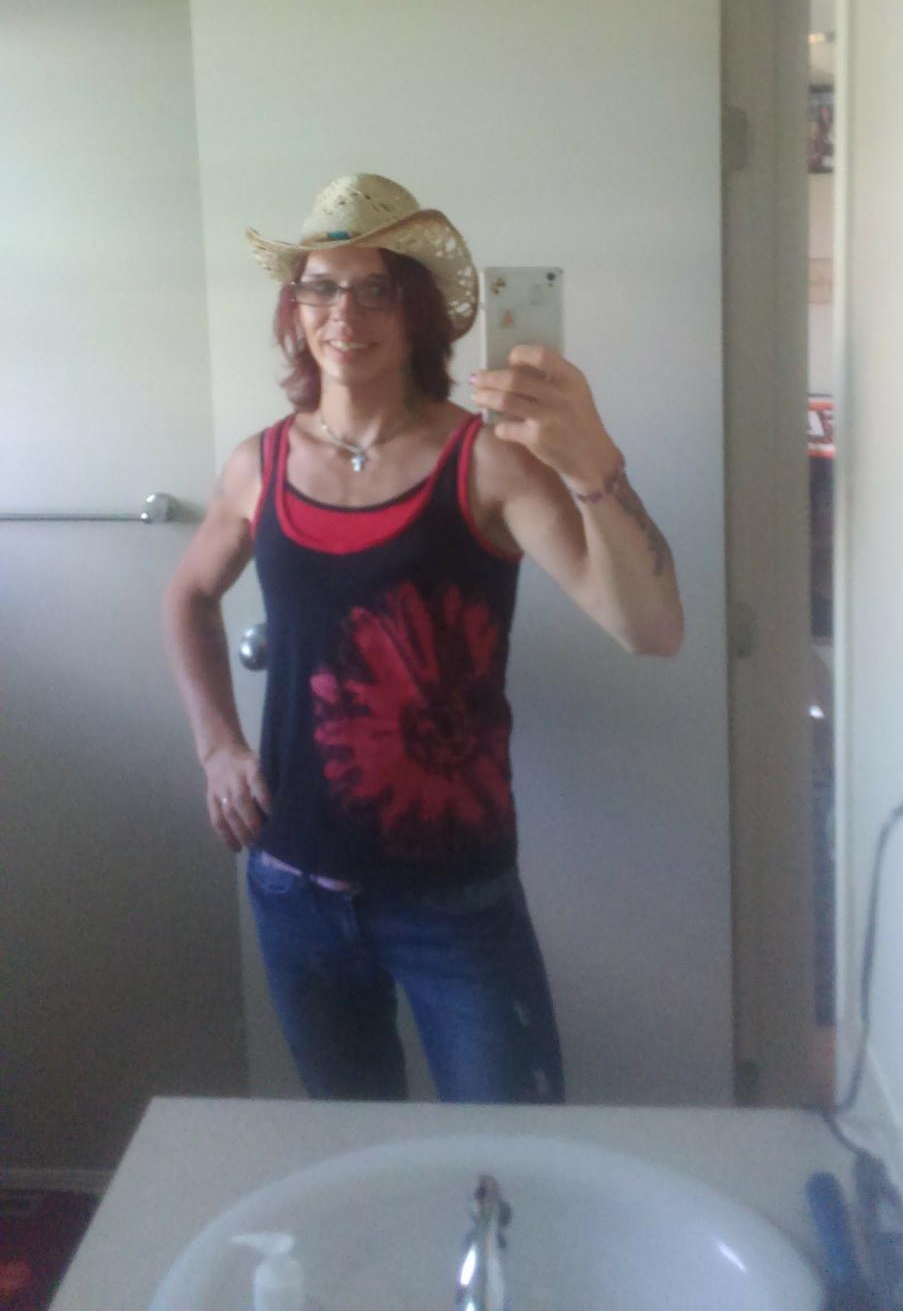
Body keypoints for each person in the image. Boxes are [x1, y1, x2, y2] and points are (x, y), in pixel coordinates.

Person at [164, 173, 683, 1104]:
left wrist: (592, 463)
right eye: (322, 287)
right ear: (295, 310)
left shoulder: (486, 462)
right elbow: (189, 595)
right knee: (355, 1151)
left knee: (509, 1153)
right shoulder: (259, 465)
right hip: (292, 885)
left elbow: (649, 628)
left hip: (457, 900)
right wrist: (217, 748)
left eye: (376, 288)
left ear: (417, 314)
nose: (345, 312)